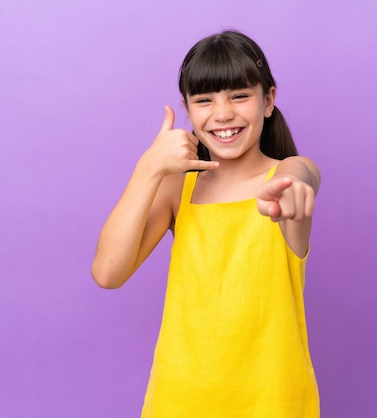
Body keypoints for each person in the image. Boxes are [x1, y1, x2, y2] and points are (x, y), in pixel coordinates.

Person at [92, 30, 320, 417]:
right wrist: (148, 168)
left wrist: (294, 184)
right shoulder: (176, 187)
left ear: (268, 100)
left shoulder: (284, 179)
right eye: (204, 100)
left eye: (240, 95)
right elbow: (108, 273)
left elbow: (303, 172)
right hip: (180, 401)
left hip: (273, 401)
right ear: (187, 109)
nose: (223, 113)